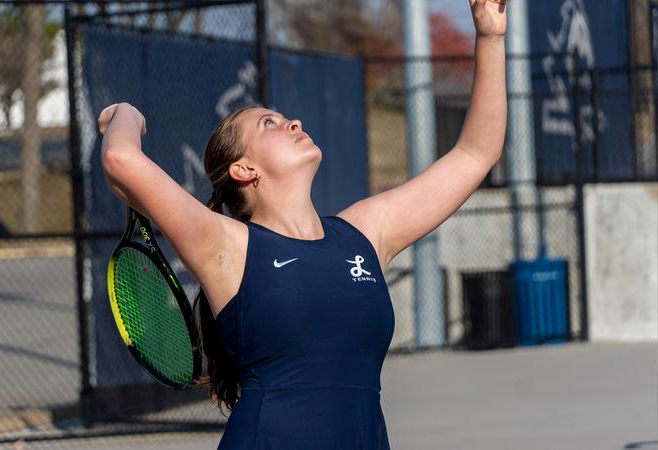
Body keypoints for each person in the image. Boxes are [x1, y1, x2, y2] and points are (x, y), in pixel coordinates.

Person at [97, 1, 507, 447]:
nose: (293, 122)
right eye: (269, 123)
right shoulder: (227, 245)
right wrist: (126, 114)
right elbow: (121, 159)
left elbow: (475, 154)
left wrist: (489, 37)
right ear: (244, 169)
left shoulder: (363, 233)